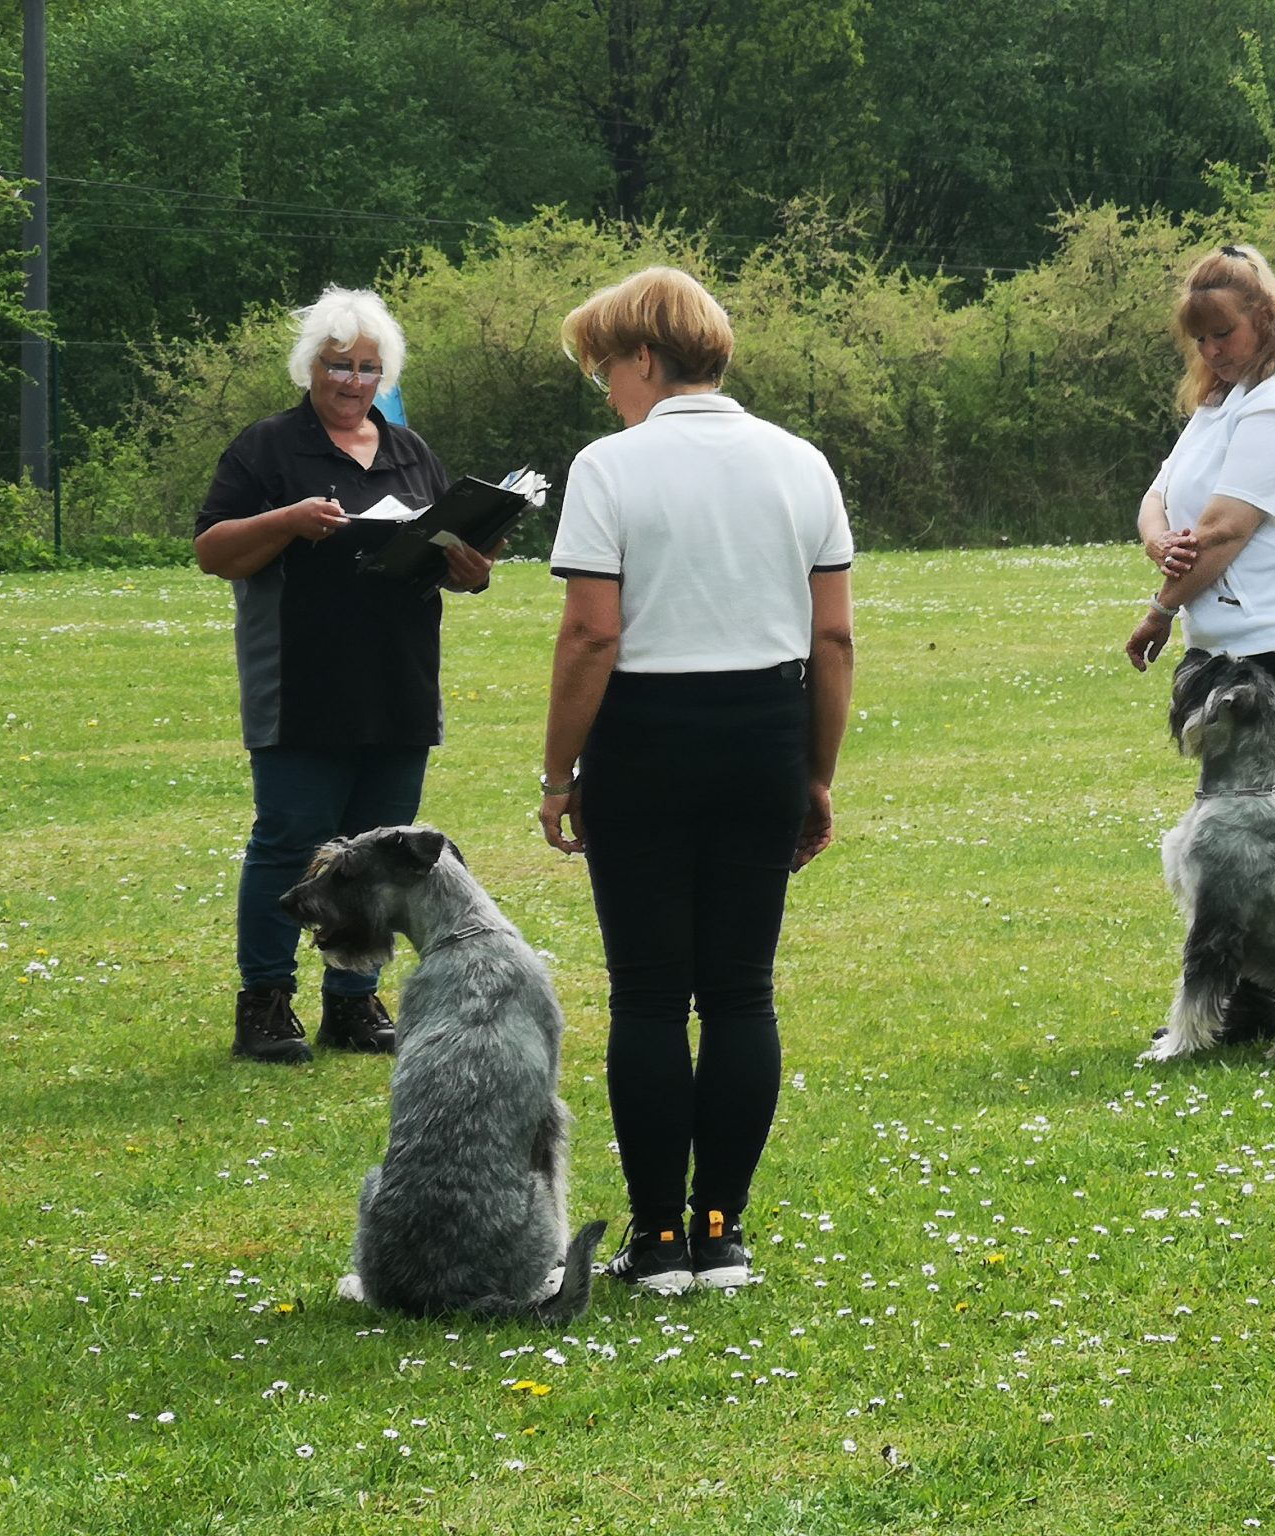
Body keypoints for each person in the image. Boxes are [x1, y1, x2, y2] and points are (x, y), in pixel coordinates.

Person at [538, 266, 855, 1294]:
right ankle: (721, 1230)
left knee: (645, 997)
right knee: (737, 992)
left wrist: (557, 774)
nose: (607, 394)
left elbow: (591, 635)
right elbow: (834, 637)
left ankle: (656, 1238)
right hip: (765, 729)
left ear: (641, 357)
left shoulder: (610, 466)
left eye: (604, 372)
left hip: (646, 735)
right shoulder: (801, 462)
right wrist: (813, 773)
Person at [194, 285, 498, 1065]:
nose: (351, 382)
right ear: (310, 368)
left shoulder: (410, 451)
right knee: (289, 840)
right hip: (300, 684)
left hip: (397, 685)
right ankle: (265, 1003)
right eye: (337, 366)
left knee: (381, 854)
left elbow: (453, 564)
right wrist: (288, 520)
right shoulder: (268, 449)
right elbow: (213, 551)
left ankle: (354, 1005)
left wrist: (470, 568)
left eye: (367, 368)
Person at [1123, 243, 1275, 1037]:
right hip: (1230, 630)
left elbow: (1225, 530)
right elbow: (1160, 495)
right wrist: (1160, 541)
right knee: (1241, 826)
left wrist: (1160, 609)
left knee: (1259, 827)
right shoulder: (1223, 400)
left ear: (1265, 319)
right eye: (1197, 338)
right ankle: (1250, 1000)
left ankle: (1249, 1003)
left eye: (1221, 333)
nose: (1209, 350)